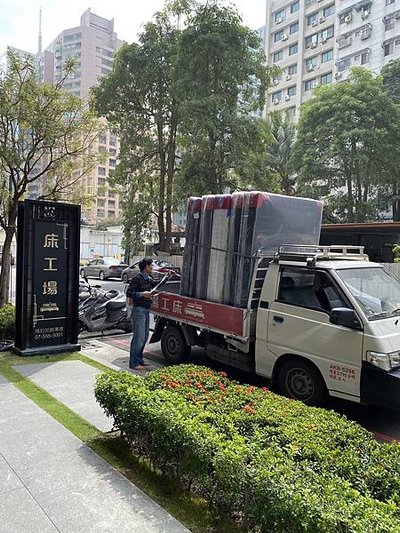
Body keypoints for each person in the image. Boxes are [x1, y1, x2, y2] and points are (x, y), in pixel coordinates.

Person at [126, 258, 174, 370]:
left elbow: (156, 285)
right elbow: (129, 293)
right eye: (151, 265)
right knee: (139, 337)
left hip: (146, 310)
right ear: (146, 267)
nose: (152, 268)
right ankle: (133, 363)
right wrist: (142, 294)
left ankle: (139, 360)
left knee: (145, 337)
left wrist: (167, 277)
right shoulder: (137, 279)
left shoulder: (148, 279)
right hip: (138, 311)